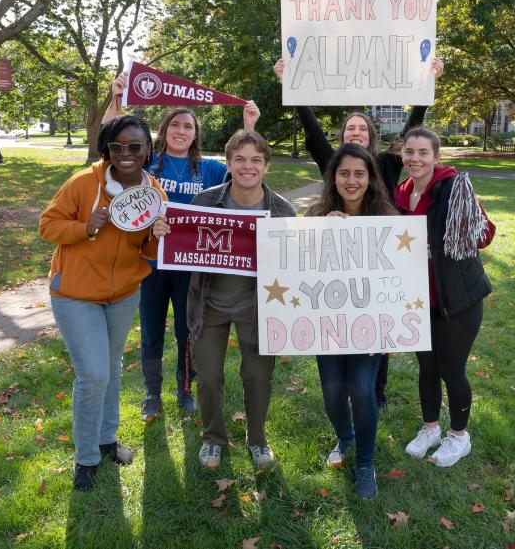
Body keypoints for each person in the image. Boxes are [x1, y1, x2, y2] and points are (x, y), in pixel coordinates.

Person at [273, 56, 444, 411]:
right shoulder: (332, 161)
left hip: (380, 254)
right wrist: (289, 82)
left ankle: (377, 391)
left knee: (378, 320)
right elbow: (312, 130)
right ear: (343, 136)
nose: (356, 133)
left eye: (362, 129)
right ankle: (344, 380)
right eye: (350, 129)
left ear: (371, 136)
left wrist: (427, 84)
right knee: (347, 313)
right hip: (340, 252)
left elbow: (413, 125)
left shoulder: (387, 163)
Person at [103, 73, 260, 420]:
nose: (181, 131)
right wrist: (115, 102)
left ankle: (185, 388)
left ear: (195, 134)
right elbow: (111, 148)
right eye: (175, 124)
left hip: (192, 266)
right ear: (164, 129)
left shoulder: (209, 169)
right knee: (152, 329)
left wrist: (248, 126)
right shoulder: (148, 163)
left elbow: (247, 171)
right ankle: (152, 394)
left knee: (187, 330)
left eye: (188, 126)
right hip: (150, 262)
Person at [38, 114, 169, 491]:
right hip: (75, 295)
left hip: (124, 294)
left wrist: (158, 236)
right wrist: (84, 227)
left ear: (148, 150)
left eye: (135, 147)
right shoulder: (83, 183)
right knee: (93, 374)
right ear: (107, 149)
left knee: (111, 367)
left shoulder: (154, 194)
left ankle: (107, 440)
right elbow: (47, 225)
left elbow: (146, 249)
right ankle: (86, 458)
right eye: (117, 147)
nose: (126, 154)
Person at [187, 129, 295, 471]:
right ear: (229, 163)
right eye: (240, 159)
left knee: (258, 377)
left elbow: (295, 262)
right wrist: (165, 232)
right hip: (208, 304)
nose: (248, 167)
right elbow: (184, 246)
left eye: (256, 160)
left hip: (258, 307)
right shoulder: (204, 202)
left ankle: (257, 439)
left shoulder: (282, 210)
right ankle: (213, 439)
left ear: (266, 166)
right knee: (207, 377)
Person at [393, 126, 496, 468]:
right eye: (410, 151)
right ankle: (430, 429)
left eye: (424, 152)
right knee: (427, 367)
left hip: (458, 300)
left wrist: (469, 212)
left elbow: (485, 236)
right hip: (420, 301)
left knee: (452, 370)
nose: (415, 158)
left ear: (436, 158)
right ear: (402, 154)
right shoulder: (400, 194)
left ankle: (459, 437)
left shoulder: (454, 188)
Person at [305, 144, 399, 498]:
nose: (352, 180)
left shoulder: (387, 218)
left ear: (371, 178)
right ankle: (346, 437)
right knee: (332, 394)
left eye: (359, 173)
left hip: (368, 325)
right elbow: (297, 263)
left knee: (361, 390)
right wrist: (319, 232)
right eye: (344, 173)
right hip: (326, 324)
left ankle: (365, 462)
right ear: (333, 177)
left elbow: (401, 273)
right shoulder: (317, 214)